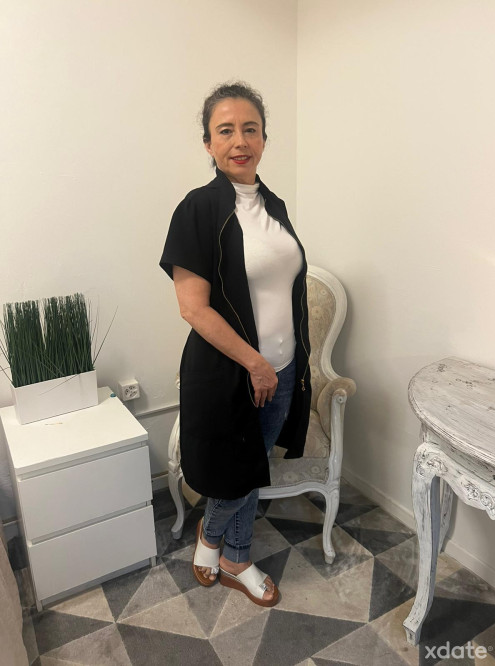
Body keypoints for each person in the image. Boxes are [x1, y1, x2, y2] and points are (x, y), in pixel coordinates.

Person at [160, 82, 311, 607]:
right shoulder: (198, 209)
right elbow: (193, 307)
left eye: (251, 129)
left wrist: (281, 365)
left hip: (284, 369)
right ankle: (212, 540)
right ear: (208, 143)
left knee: (254, 467)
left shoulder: (275, 206)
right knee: (234, 475)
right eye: (225, 130)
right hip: (233, 372)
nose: (240, 140)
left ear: (264, 139)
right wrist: (255, 363)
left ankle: (236, 558)